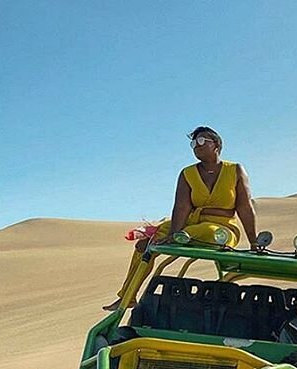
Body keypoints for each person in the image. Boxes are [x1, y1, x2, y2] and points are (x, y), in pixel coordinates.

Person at [103, 126, 258, 310]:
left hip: (221, 230)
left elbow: (244, 207)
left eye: (201, 141)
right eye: (193, 143)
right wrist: (175, 231)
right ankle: (127, 296)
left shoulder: (235, 170)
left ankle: (179, 237)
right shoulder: (187, 173)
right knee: (145, 243)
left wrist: (254, 242)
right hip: (189, 223)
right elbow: (182, 206)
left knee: (202, 231)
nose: (195, 146)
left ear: (216, 145)